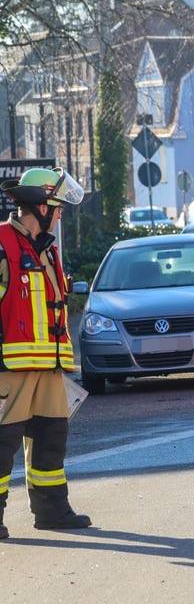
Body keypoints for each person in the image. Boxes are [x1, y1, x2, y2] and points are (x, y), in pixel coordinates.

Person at [0, 168, 92, 538]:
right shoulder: (2, 243)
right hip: (11, 368)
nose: (60, 214)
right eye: (56, 207)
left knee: (52, 441)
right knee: (2, 445)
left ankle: (52, 511)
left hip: (49, 369)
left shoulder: (48, 250)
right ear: (38, 206)